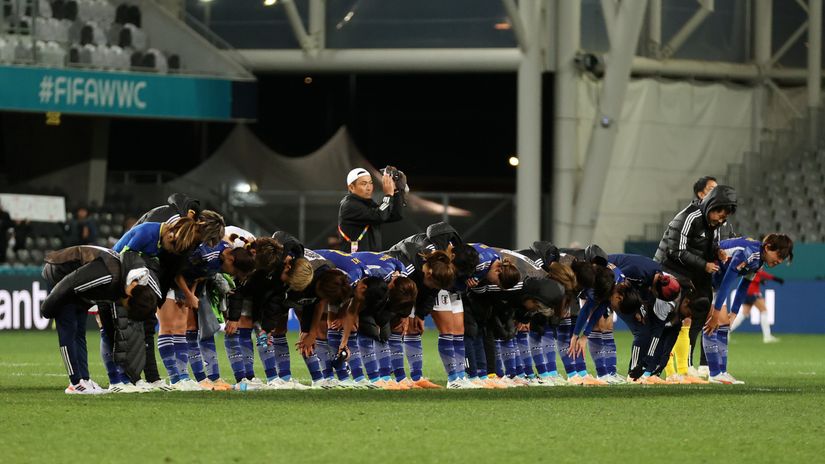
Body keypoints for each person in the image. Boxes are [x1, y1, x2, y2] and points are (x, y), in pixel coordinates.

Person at [41, 245, 162, 394]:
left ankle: (84, 379)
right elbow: (68, 285)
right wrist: (47, 309)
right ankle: (75, 383)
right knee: (68, 327)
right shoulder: (109, 275)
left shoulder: (128, 282)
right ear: (130, 298)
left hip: (77, 281)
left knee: (79, 330)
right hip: (60, 274)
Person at [654, 184, 737, 378]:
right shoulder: (689, 217)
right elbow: (675, 251)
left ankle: (685, 367)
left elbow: (711, 245)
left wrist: (718, 252)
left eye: (725, 217)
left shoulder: (714, 224)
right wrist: (704, 265)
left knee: (698, 313)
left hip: (695, 274)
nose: (721, 220)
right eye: (720, 215)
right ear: (712, 206)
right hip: (672, 272)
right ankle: (654, 369)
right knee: (670, 320)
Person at [703, 234, 793, 384]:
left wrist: (734, 313)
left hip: (715, 282)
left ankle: (721, 372)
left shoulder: (758, 262)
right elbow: (727, 282)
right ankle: (713, 373)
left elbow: (743, 286)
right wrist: (715, 314)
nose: (779, 261)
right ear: (768, 247)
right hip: (704, 278)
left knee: (724, 323)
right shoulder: (749, 253)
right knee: (711, 323)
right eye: (779, 255)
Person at [337, 167, 404, 252]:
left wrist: (396, 192)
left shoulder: (366, 203)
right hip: (354, 261)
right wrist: (388, 195)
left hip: (370, 259)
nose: (369, 188)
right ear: (351, 187)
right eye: (364, 184)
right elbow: (380, 215)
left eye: (370, 183)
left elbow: (395, 215)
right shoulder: (349, 205)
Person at [729, 268, 784, 343]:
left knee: (743, 314)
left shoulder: (757, 266)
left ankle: (726, 332)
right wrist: (761, 280)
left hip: (746, 293)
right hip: (752, 293)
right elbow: (753, 276)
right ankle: (767, 336)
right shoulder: (755, 265)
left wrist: (775, 279)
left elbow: (763, 274)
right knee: (764, 311)